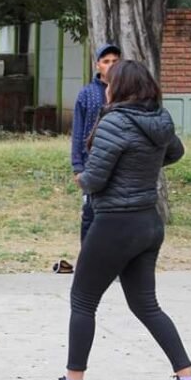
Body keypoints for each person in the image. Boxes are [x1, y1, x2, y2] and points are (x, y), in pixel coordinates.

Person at [37, 60, 191, 380]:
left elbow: (95, 177)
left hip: (116, 222)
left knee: (83, 300)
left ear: (121, 87)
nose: (105, 87)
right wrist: (142, 165)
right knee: (146, 304)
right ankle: (189, 378)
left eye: (109, 82)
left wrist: (81, 180)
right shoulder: (159, 119)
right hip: (148, 222)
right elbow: (175, 151)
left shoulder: (115, 121)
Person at [53, 43, 121, 274]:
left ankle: (116, 265)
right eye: (106, 61)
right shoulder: (87, 94)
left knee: (117, 217)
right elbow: (78, 133)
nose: (111, 65)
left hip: (120, 164)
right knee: (90, 215)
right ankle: (89, 265)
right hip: (92, 164)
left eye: (115, 61)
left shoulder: (127, 92)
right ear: (97, 65)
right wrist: (77, 167)